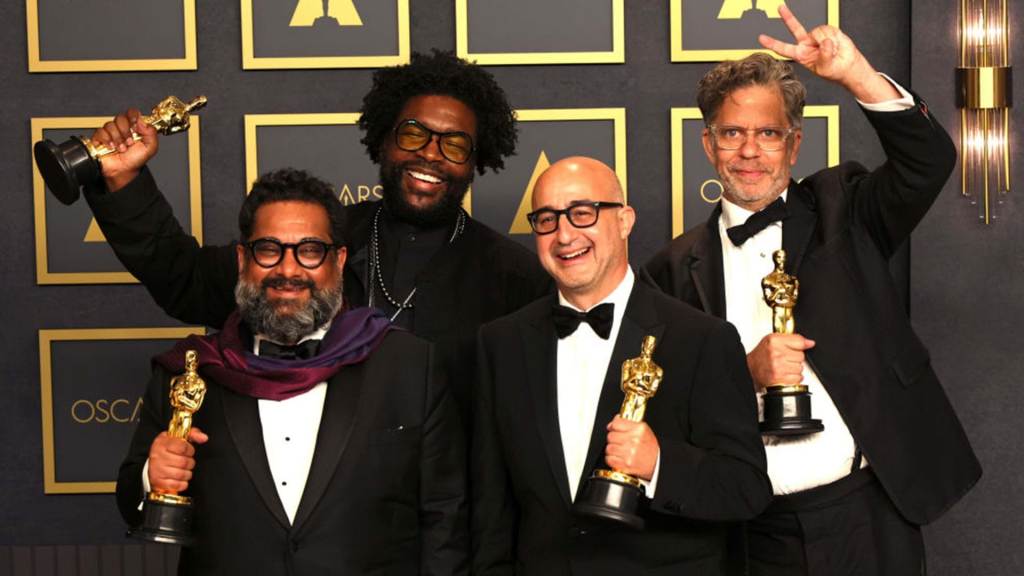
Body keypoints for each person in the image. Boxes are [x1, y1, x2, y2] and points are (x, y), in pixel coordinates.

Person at [645, 5, 980, 574]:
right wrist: (740, 375)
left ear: (794, 145)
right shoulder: (670, 269)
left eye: (768, 134)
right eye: (732, 133)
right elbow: (664, 409)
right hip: (752, 531)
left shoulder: (843, 209)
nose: (750, 151)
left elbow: (929, 162)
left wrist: (856, 74)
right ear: (707, 145)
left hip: (868, 513)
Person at [84, 50, 551, 418]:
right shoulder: (310, 243)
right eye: (413, 134)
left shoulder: (514, 277)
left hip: (448, 517)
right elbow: (182, 278)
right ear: (383, 140)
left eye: (454, 144)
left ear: (476, 160)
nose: (430, 154)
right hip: (322, 514)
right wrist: (124, 181)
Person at [116, 168, 466, 575]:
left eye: (310, 250)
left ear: (337, 260)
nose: (288, 270)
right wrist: (150, 477)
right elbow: (130, 504)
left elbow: (447, 521)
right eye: (269, 249)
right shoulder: (193, 373)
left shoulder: (409, 366)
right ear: (243, 259)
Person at [472, 156, 771, 574]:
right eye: (547, 219)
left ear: (625, 220)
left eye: (582, 213)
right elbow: (491, 508)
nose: (564, 235)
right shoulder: (500, 343)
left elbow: (746, 488)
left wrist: (659, 464)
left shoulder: (702, 340)